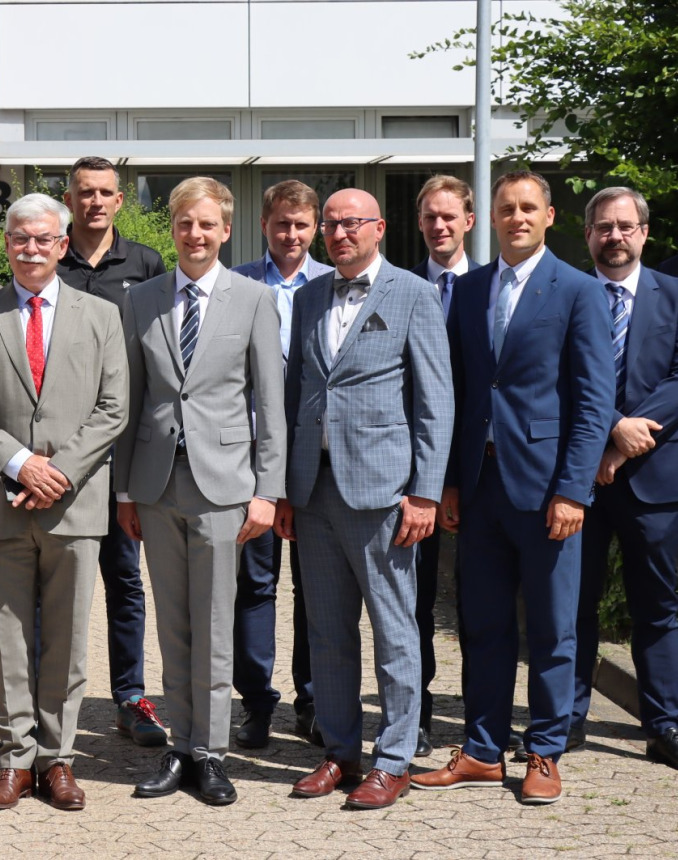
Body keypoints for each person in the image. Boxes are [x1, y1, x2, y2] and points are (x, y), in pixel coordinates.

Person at [413, 170, 614, 805]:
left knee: (553, 629)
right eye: (507, 208)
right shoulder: (469, 291)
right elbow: (457, 393)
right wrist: (445, 481)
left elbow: (591, 402)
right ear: (491, 218)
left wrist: (575, 490)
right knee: (484, 624)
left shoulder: (579, 291)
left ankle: (546, 751)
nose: (517, 217)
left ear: (550, 216)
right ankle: (480, 749)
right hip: (478, 487)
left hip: (550, 488)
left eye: (529, 208)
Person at [0, 193, 128, 812]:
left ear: (61, 244)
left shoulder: (101, 315)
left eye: (43, 239)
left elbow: (113, 408)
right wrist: (21, 463)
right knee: (5, 638)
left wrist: (59, 471)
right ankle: (15, 759)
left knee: (69, 640)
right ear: (7, 245)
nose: (31, 249)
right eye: (20, 238)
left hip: (72, 504)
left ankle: (59, 759)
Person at [279, 189, 453, 810]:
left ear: (379, 228)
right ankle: (340, 751)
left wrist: (426, 493)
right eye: (331, 224)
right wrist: (284, 490)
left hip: (383, 492)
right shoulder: (305, 298)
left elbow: (436, 401)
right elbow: (295, 389)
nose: (340, 233)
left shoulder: (412, 293)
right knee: (326, 631)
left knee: (394, 629)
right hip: (315, 490)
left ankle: (396, 757)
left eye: (352, 223)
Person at [118, 177, 285, 806]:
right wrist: (125, 494)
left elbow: (270, 402)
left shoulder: (253, 299)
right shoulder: (143, 300)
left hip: (224, 488)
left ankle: (212, 751)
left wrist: (268, 490)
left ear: (225, 230)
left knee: (215, 623)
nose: (195, 234)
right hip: (157, 487)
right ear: (175, 228)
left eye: (207, 224)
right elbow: (131, 401)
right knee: (174, 623)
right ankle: (179, 745)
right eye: (185, 223)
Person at [57, 156, 169, 747]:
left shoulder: (147, 266)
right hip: (62, 457)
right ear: (69, 199)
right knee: (57, 583)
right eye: (85, 192)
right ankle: (52, 703)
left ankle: (130, 697)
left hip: (122, 455)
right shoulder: (51, 258)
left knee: (125, 579)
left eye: (105, 193)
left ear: (120, 201)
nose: (95, 202)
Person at [572, 187, 678, 766]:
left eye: (625, 226)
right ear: (587, 234)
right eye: (603, 227)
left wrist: (635, 433)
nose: (614, 236)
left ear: (643, 232)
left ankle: (664, 723)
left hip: (655, 478)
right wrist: (612, 428)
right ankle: (566, 721)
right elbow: (558, 377)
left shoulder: (676, 296)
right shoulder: (564, 294)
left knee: (657, 606)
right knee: (573, 605)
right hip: (578, 481)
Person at [229, 179, 333, 749]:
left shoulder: (335, 282)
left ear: (314, 228)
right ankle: (256, 703)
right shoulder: (239, 284)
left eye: (301, 225)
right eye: (280, 223)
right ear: (264, 225)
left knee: (316, 587)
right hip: (253, 462)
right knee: (256, 585)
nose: (290, 234)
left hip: (319, 461)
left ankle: (314, 700)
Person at [407, 175, 480, 757]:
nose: (439, 226)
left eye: (449, 217)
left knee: (481, 601)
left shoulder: (491, 288)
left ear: (469, 221)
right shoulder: (404, 289)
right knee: (418, 600)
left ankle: (483, 719)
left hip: (484, 474)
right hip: (420, 475)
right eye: (430, 216)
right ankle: (420, 714)